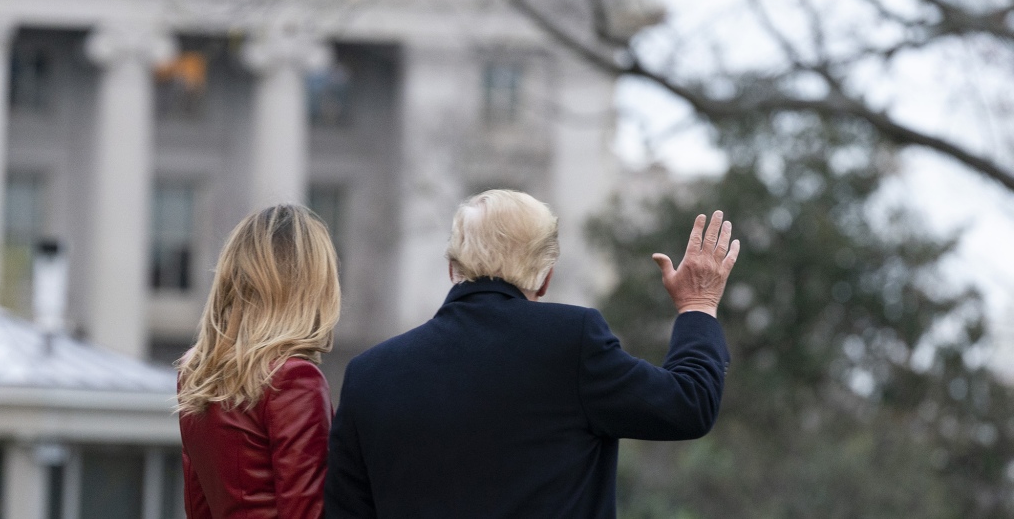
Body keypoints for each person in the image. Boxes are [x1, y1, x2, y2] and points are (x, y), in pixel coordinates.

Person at [325, 189, 740, 519]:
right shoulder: (570, 341)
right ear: (545, 276)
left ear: (453, 267)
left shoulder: (368, 374)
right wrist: (698, 304)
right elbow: (688, 403)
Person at [178, 204, 341, 519]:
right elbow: (306, 512)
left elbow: (197, 505)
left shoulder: (197, 371)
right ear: (313, 285)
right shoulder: (295, 379)